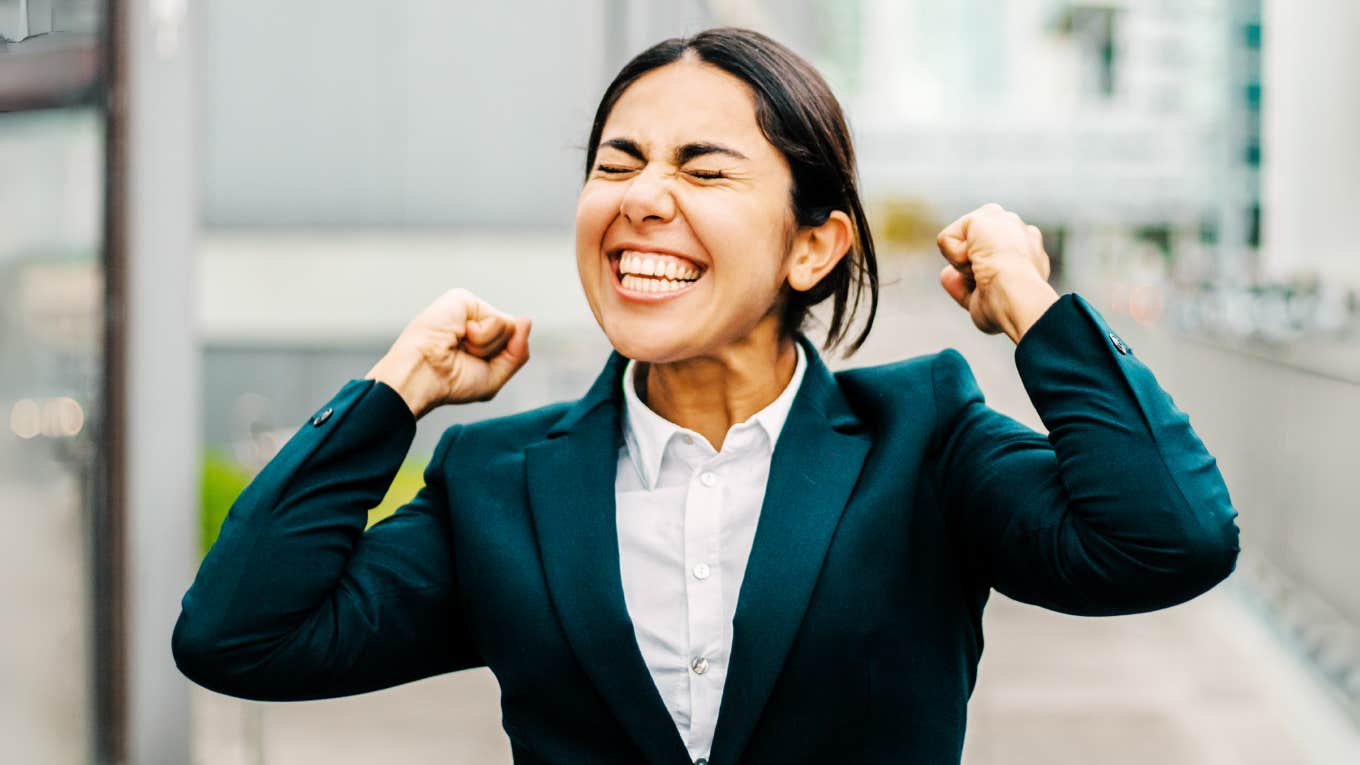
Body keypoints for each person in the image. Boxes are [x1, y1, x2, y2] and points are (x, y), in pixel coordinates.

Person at [172, 27, 1240, 764]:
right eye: (616, 163)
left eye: (704, 170)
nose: (642, 200)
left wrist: (1030, 304)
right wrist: (394, 391)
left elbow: (1170, 538)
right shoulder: (499, 482)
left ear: (813, 246)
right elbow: (239, 637)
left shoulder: (924, 440)